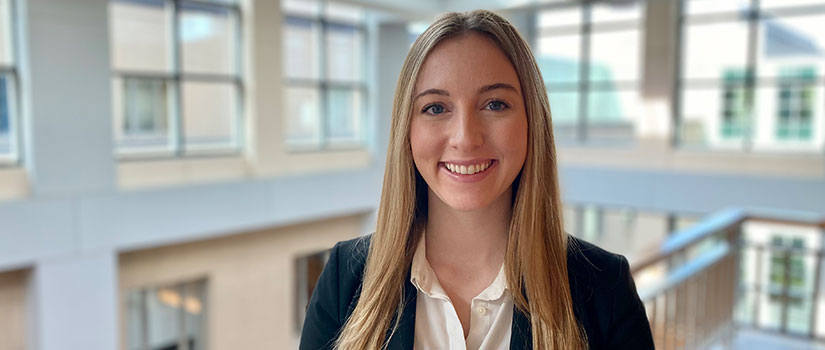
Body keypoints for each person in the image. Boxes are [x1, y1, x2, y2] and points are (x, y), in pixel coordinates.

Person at [300, 9, 654, 350]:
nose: (466, 138)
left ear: (533, 122)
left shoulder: (605, 289)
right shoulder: (346, 279)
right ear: (406, 131)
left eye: (495, 104)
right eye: (436, 108)